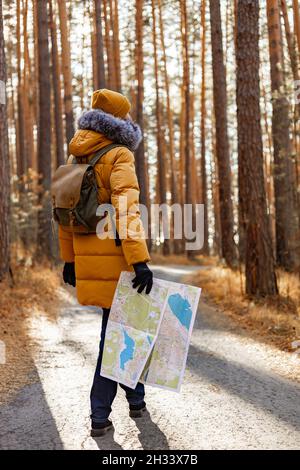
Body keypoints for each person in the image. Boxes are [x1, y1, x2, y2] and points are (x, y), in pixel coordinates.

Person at [58, 88, 153, 437]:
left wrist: (69, 261)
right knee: (115, 337)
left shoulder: (74, 158)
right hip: (117, 262)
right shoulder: (119, 155)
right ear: (119, 120)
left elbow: (65, 217)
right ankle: (99, 413)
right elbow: (128, 209)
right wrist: (139, 261)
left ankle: (136, 399)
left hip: (87, 260)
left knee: (122, 329)